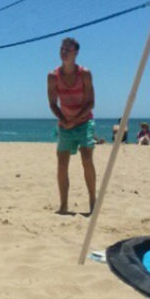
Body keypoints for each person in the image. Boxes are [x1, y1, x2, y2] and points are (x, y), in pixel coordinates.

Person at [47, 37, 96, 214]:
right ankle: (63, 205)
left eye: (68, 49)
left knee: (87, 159)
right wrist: (64, 120)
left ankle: (92, 202)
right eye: (62, 49)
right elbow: (52, 103)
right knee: (61, 163)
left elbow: (91, 102)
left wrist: (75, 120)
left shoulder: (84, 74)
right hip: (64, 123)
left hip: (84, 121)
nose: (64, 52)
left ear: (76, 52)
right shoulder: (53, 76)